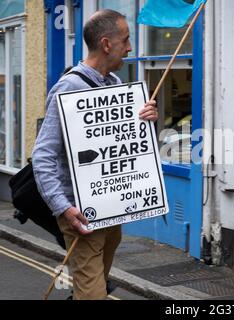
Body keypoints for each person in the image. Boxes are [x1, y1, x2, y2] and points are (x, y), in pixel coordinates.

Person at [32, 9, 159, 300]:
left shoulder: (114, 84)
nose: (129, 48)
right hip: (81, 215)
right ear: (106, 44)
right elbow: (42, 155)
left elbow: (124, 144)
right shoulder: (69, 87)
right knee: (92, 294)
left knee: (93, 286)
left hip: (110, 210)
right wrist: (63, 208)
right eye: (125, 40)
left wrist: (145, 121)